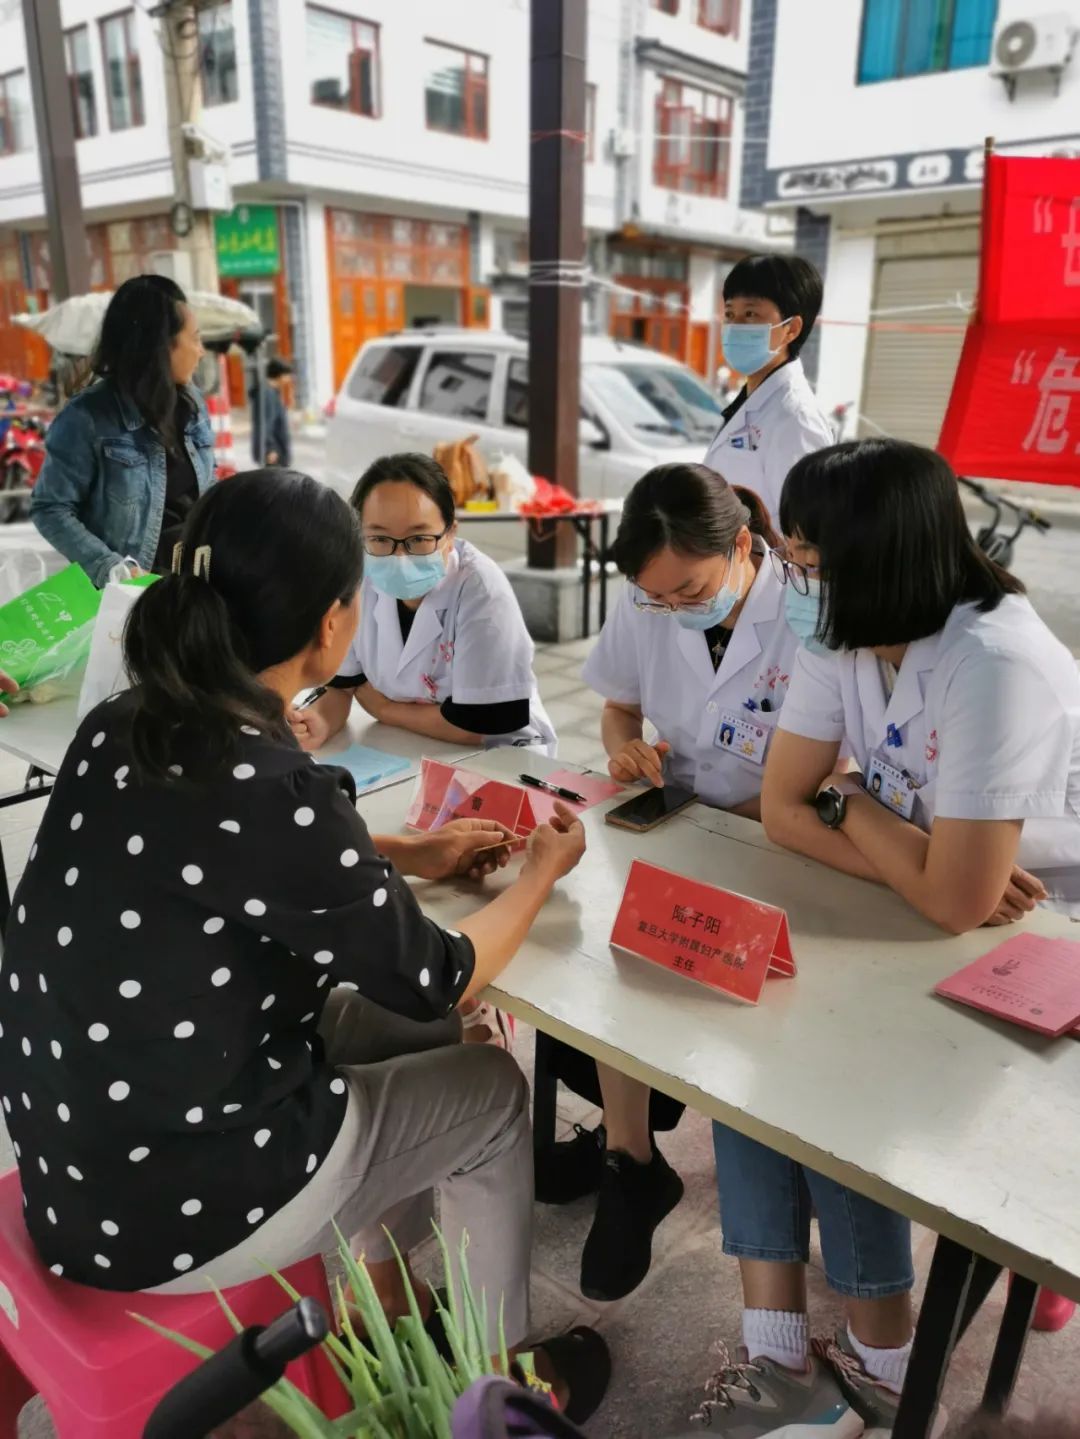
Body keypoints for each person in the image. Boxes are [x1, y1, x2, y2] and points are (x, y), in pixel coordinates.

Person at [0, 468, 610, 1421]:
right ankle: (497, 1387)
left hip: (80, 1154)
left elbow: (228, 855)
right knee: (491, 1089)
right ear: (331, 625)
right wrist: (539, 871)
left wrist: (405, 848)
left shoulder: (126, 722)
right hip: (174, 1202)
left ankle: (383, 1296)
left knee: (398, 1035)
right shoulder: (269, 785)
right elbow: (439, 977)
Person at [689, 437, 1079, 1437]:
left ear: (881, 561)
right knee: (758, 1031)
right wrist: (881, 826)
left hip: (1044, 938)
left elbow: (959, 901)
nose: (794, 580)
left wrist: (854, 801)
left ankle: (888, 1369)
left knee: (834, 1077)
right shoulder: (849, 629)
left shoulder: (996, 663)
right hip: (926, 902)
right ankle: (778, 1353)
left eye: (809, 559)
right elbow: (786, 809)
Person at [536, 462, 799, 1306]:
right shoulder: (648, 595)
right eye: (658, 598)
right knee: (613, 955)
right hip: (678, 818)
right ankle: (631, 1159)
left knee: (755, 1020)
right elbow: (619, 703)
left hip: (780, 842)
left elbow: (835, 771)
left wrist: (761, 816)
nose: (675, 607)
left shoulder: (805, 614)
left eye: (691, 591)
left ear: (744, 545)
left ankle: (718, 1169)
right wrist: (624, 747)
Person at [290, 453, 557, 756]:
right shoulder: (359, 579)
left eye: (418, 539)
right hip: (411, 743)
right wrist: (319, 722)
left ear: (450, 533)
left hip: (500, 753)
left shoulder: (482, 592)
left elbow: (481, 723)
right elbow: (342, 686)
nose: (399, 557)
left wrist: (387, 710)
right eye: (379, 538)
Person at [31, 275, 214, 586]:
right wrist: (111, 567)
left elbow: (204, 485)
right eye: (195, 339)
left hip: (193, 586)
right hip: (130, 595)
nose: (201, 351)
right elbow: (50, 508)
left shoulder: (192, 402)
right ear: (161, 347)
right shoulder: (87, 417)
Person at [704, 254, 833, 520]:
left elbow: (802, 531)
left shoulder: (797, 418)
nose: (735, 326)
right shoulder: (750, 400)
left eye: (750, 314)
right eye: (729, 314)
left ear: (791, 329)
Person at [250, 357, 293, 468]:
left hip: (276, 451)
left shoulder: (270, 392)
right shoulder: (268, 394)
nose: (289, 379)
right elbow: (265, 423)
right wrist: (270, 448)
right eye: (287, 375)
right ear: (279, 375)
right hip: (274, 453)